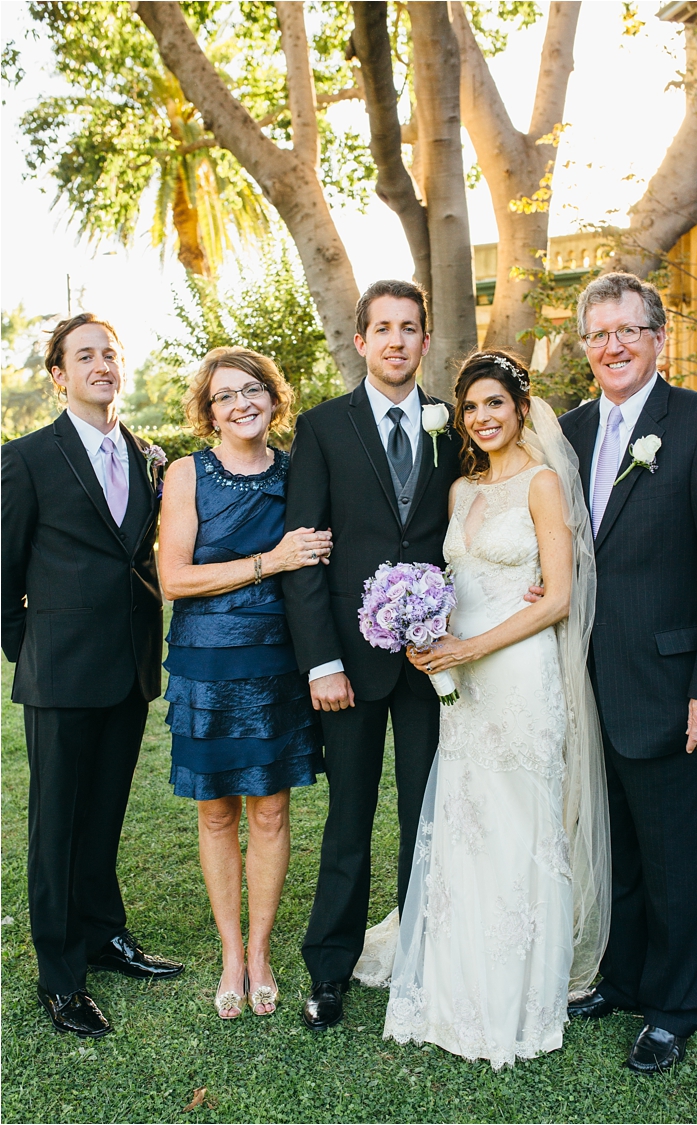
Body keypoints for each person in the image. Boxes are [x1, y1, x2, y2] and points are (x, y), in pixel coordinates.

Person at [378, 351, 610, 1069]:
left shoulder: (543, 484)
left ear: (519, 408)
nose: (483, 418)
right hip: (462, 679)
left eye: (495, 404)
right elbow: (454, 580)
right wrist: (422, 631)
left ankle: (520, 994)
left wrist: (471, 645)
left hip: (516, 669)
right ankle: (456, 986)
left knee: (521, 822)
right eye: (472, 407)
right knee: (468, 820)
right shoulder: (458, 492)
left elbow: (561, 596)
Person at [558, 273, 697, 1073]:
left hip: (671, 684)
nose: (612, 347)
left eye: (627, 331)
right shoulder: (564, 433)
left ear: (658, 337)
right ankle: (625, 976)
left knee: (672, 856)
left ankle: (673, 1005)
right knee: (618, 846)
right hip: (582, 683)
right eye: (597, 335)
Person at [282, 280, 462, 1031]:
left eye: (409, 328)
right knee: (349, 816)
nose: (395, 340)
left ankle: (426, 953)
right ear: (359, 341)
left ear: (425, 342)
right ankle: (330, 967)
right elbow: (305, 554)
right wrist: (322, 661)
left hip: (431, 662)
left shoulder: (453, 432)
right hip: (349, 669)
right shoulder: (323, 428)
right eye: (382, 327)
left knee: (431, 814)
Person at [1, 312, 184, 1038]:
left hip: (130, 667)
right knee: (56, 826)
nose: (102, 364)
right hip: (59, 671)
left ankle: (107, 934)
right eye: (86, 355)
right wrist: (31, 650)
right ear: (59, 375)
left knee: (105, 812)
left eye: (111, 352)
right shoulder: (27, 457)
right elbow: (3, 572)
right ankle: (61, 974)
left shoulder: (150, 456)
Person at [157, 347, 329, 1019]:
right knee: (215, 809)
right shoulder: (186, 474)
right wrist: (270, 560)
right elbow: (175, 578)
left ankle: (260, 950)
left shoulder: (297, 473)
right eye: (226, 395)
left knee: (271, 809)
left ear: (273, 396)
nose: (242, 403)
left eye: (253, 389)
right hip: (205, 665)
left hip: (276, 665)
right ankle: (230, 951)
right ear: (209, 409)